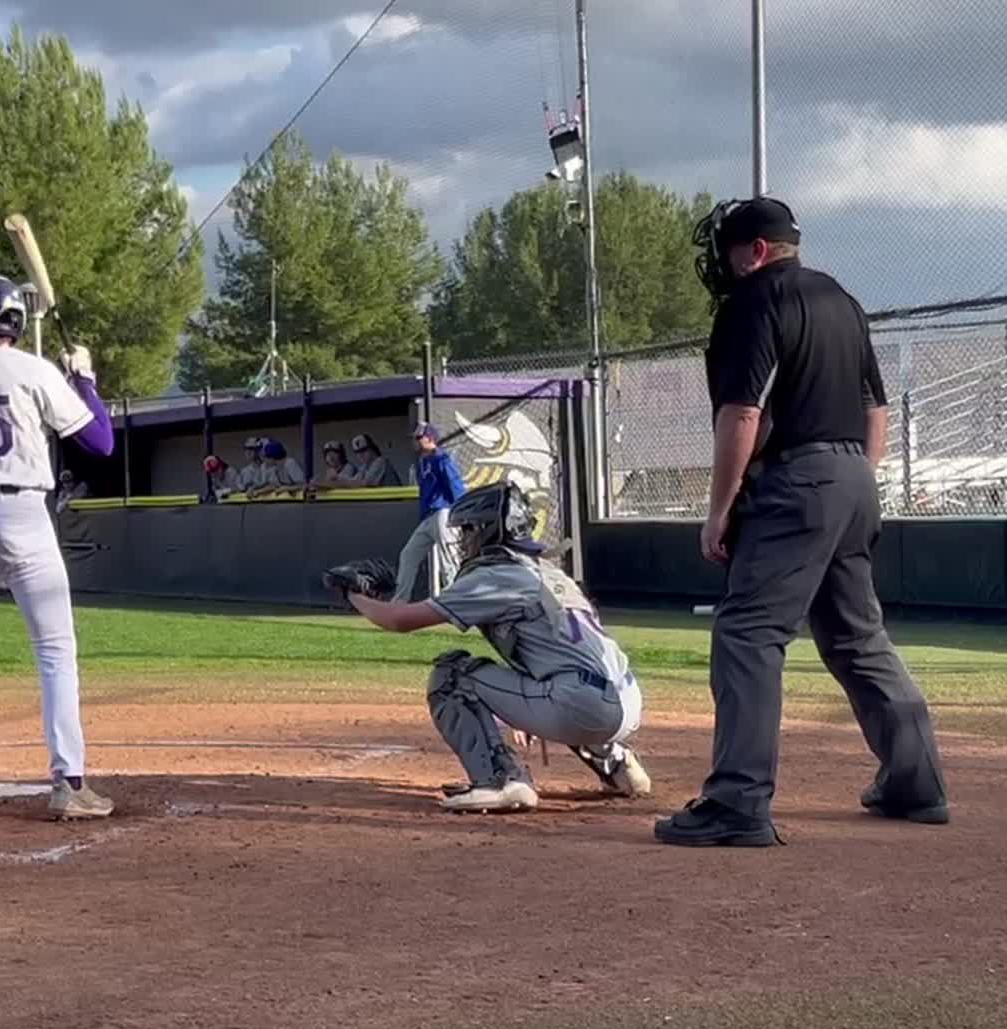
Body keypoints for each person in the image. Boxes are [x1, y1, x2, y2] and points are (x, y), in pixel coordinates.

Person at [657, 195, 949, 846]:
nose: (724, 265)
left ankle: (737, 803)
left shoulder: (753, 302)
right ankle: (916, 783)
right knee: (857, 639)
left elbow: (742, 415)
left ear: (756, 251)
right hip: (853, 477)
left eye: (731, 252)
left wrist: (718, 510)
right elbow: (876, 409)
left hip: (798, 480)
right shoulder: (841, 300)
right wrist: (854, 483)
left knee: (747, 634)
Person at [0, 273, 118, 822]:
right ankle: (70, 781)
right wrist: (84, 379)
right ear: (9, 316)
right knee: (55, 651)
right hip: (22, 513)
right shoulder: (34, 370)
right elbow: (99, 442)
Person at [336, 482, 651, 813]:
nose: (464, 540)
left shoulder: (496, 575)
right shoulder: (547, 570)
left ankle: (501, 780)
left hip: (581, 704)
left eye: (469, 529)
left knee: (452, 674)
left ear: (489, 529)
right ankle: (619, 766)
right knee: (564, 681)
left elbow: (400, 620)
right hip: (625, 698)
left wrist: (354, 595)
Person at [394, 422, 466, 600]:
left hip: (444, 513)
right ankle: (400, 601)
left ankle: (455, 602)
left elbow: (456, 488)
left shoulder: (442, 459)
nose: (416, 441)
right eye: (415, 438)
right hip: (428, 517)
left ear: (430, 438)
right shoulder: (421, 462)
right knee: (408, 555)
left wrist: (461, 515)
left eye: (419, 438)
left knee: (448, 560)